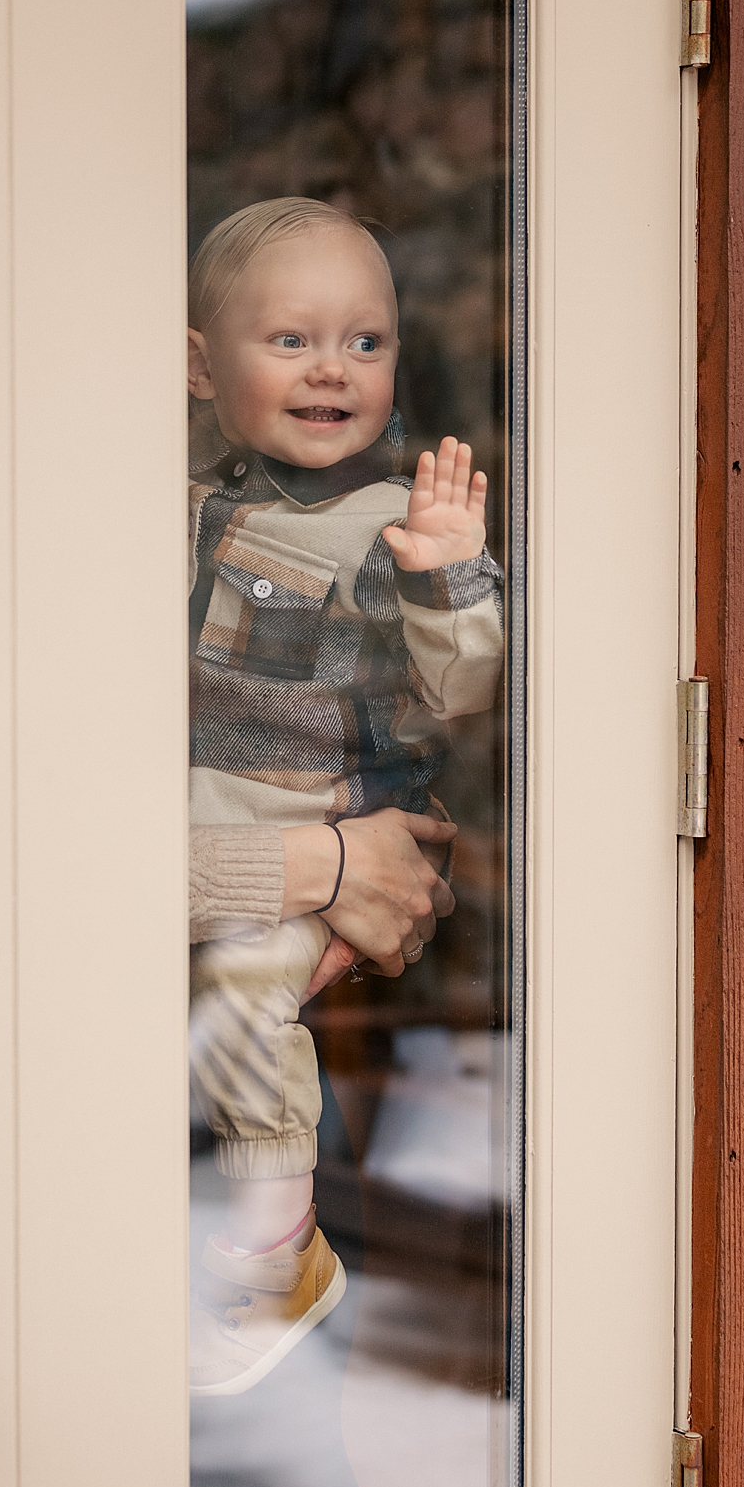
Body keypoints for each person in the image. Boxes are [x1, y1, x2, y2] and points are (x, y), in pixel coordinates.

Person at [186, 195, 503, 1395]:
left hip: (315, 815)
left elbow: (466, 686)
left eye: (365, 344)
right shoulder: (187, 501)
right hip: (216, 813)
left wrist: (450, 574)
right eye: (293, 341)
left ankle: (280, 1253)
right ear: (199, 368)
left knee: (241, 994)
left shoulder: (391, 526)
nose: (334, 370)